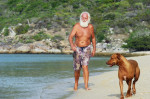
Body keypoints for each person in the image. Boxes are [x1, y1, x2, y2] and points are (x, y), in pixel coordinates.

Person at [69, 12, 96, 90]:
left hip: (87, 48)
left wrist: (94, 49)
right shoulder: (77, 26)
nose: (84, 19)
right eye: (83, 18)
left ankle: (86, 86)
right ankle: (76, 84)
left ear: (88, 18)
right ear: (81, 18)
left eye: (86, 18)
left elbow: (93, 38)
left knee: (85, 66)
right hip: (77, 48)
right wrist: (72, 45)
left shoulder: (90, 27)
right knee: (77, 68)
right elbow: (70, 37)